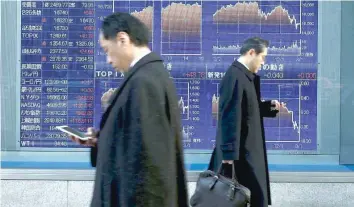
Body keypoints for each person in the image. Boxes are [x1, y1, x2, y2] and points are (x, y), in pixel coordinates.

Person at [71, 12, 188, 207]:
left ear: (122, 39)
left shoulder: (144, 82)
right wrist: (100, 140)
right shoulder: (146, 76)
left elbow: (149, 165)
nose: (108, 60)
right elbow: (134, 142)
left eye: (107, 50)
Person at [208, 37, 282, 207]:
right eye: (263, 57)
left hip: (246, 153)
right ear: (251, 53)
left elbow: (247, 109)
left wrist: (268, 107)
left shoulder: (243, 76)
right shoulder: (235, 76)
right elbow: (228, 117)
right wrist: (227, 157)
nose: (263, 62)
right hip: (240, 157)